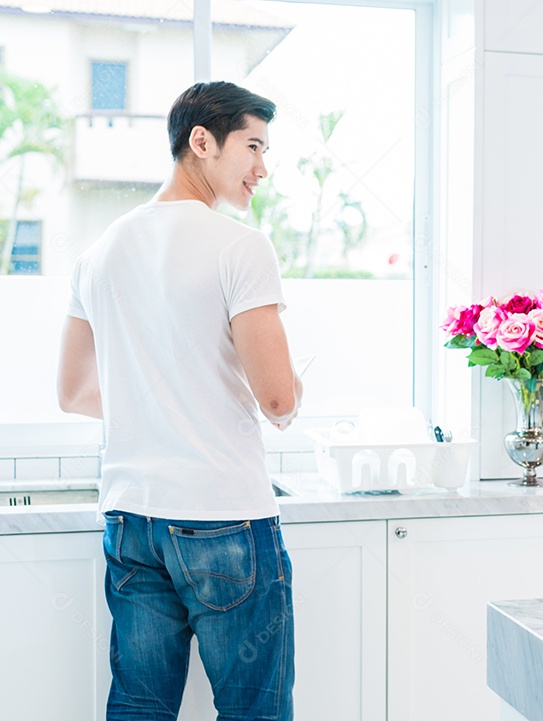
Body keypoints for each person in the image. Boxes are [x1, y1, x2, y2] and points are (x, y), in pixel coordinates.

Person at [57, 81, 302, 720]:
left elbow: (74, 392)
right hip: (224, 517)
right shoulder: (241, 247)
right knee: (255, 711)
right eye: (252, 146)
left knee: (140, 706)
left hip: (131, 521)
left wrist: (155, 401)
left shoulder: (98, 253)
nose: (261, 168)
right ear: (201, 141)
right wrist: (295, 385)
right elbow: (277, 398)